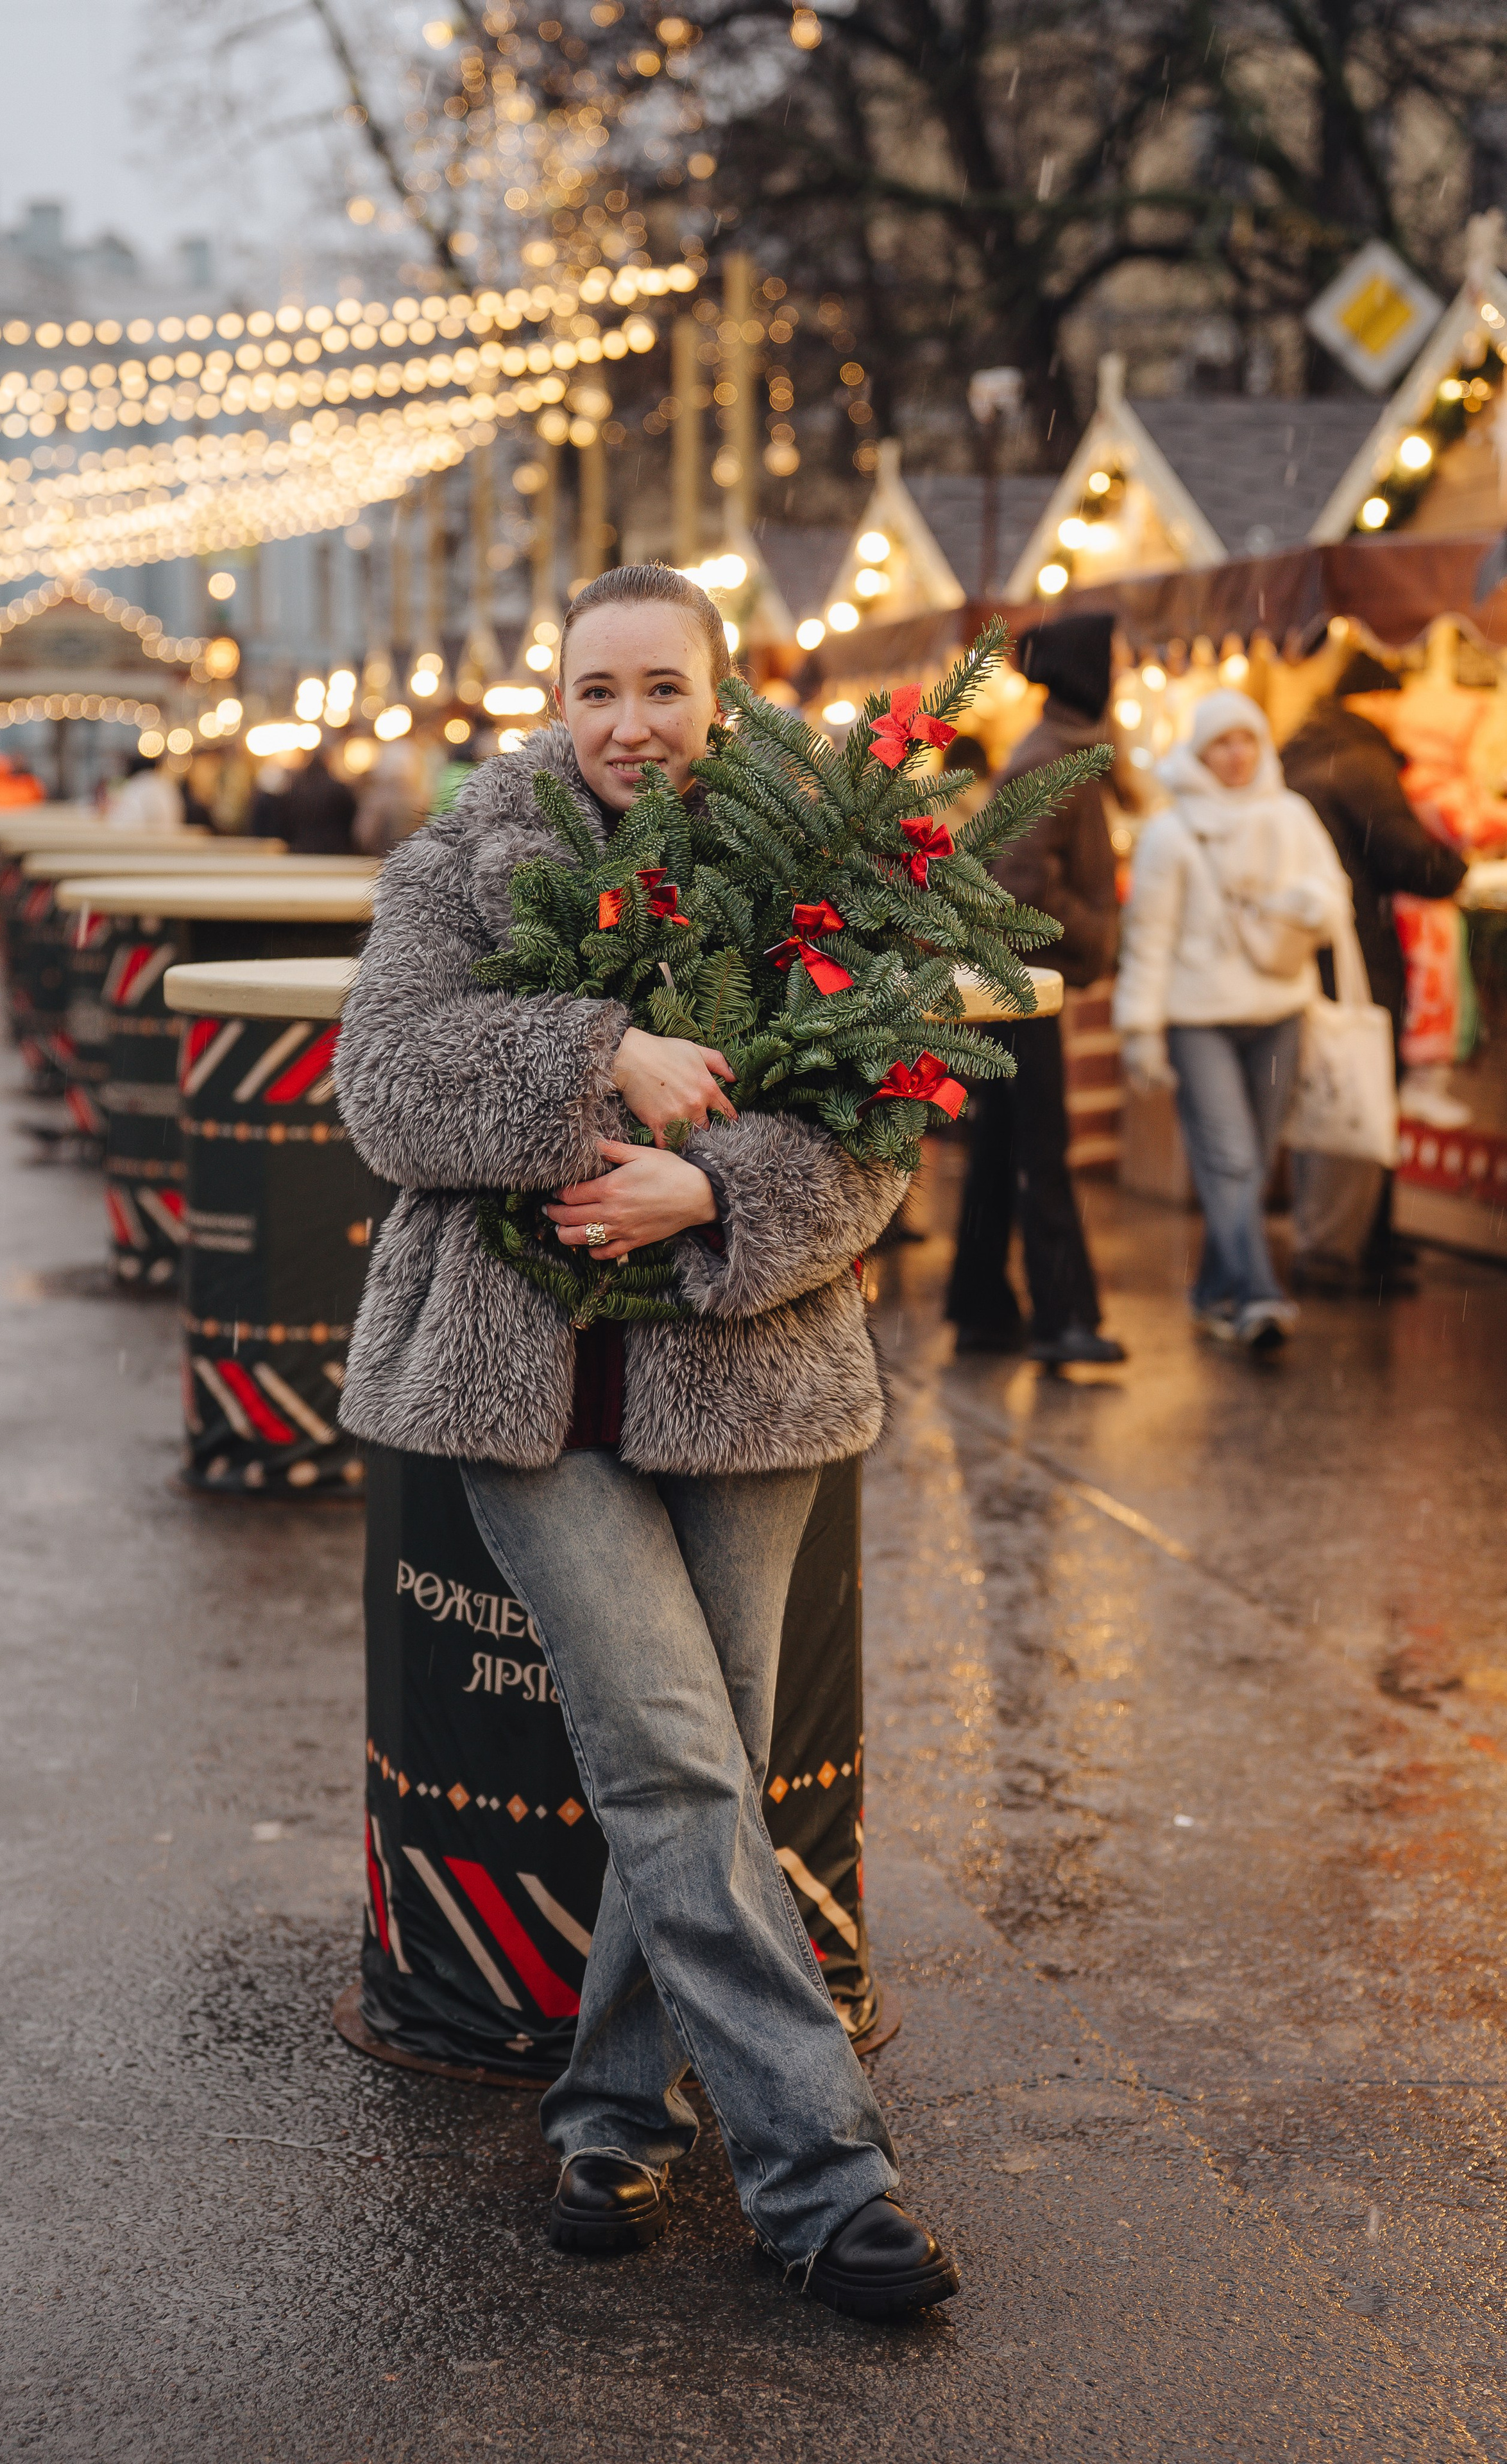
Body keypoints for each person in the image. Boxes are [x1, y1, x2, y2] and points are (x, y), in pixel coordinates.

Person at [333, 563, 959, 2320]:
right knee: (677, 1761)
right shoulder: (465, 860)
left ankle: (613, 2114)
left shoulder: (815, 866)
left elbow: (881, 1129)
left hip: (746, 1387)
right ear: (557, 697)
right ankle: (825, 2183)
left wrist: (716, 1185)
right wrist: (605, 1055)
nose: (631, 726)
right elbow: (382, 1086)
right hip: (518, 1399)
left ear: (722, 691)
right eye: (599, 689)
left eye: (665, 689)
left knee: (694, 1773)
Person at [1114, 690, 1352, 1351]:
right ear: (1199, 750)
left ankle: (1210, 1290)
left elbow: (1335, 900)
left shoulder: (1291, 815)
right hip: (1199, 1021)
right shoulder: (1171, 831)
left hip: (1279, 1009)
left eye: (1246, 738)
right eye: (1221, 741)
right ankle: (1257, 1294)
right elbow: (1148, 937)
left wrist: (1299, 904)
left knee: (1254, 1159)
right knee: (1232, 1160)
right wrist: (1140, 1031)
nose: (1237, 754)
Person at [946, 610, 1126, 1365]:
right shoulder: (1052, 758)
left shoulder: (1057, 751)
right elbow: (1015, 885)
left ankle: (983, 1305)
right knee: (1037, 1146)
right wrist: (1095, 931)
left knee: (1003, 1144)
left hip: (1013, 981)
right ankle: (1061, 1317)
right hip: (1018, 984)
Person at [1280, 653, 1469, 1294]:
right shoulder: (1359, 760)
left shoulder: (1300, 751)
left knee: (1329, 1090)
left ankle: (1338, 1238)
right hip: (1356, 950)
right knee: (1365, 1088)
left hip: (1307, 951)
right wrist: (1454, 868)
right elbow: (1407, 856)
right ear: (1376, 699)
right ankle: (1356, 1247)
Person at [281, 742, 357, 854]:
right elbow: (350, 818)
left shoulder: (295, 788)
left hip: (301, 848)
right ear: (327, 760)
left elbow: (284, 819)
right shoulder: (338, 788)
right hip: (335, 850)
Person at [106, 751, 184, 833]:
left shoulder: (137, 786)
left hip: (144, 842)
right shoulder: (166, 785)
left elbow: (122, 824)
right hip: (170, 839)